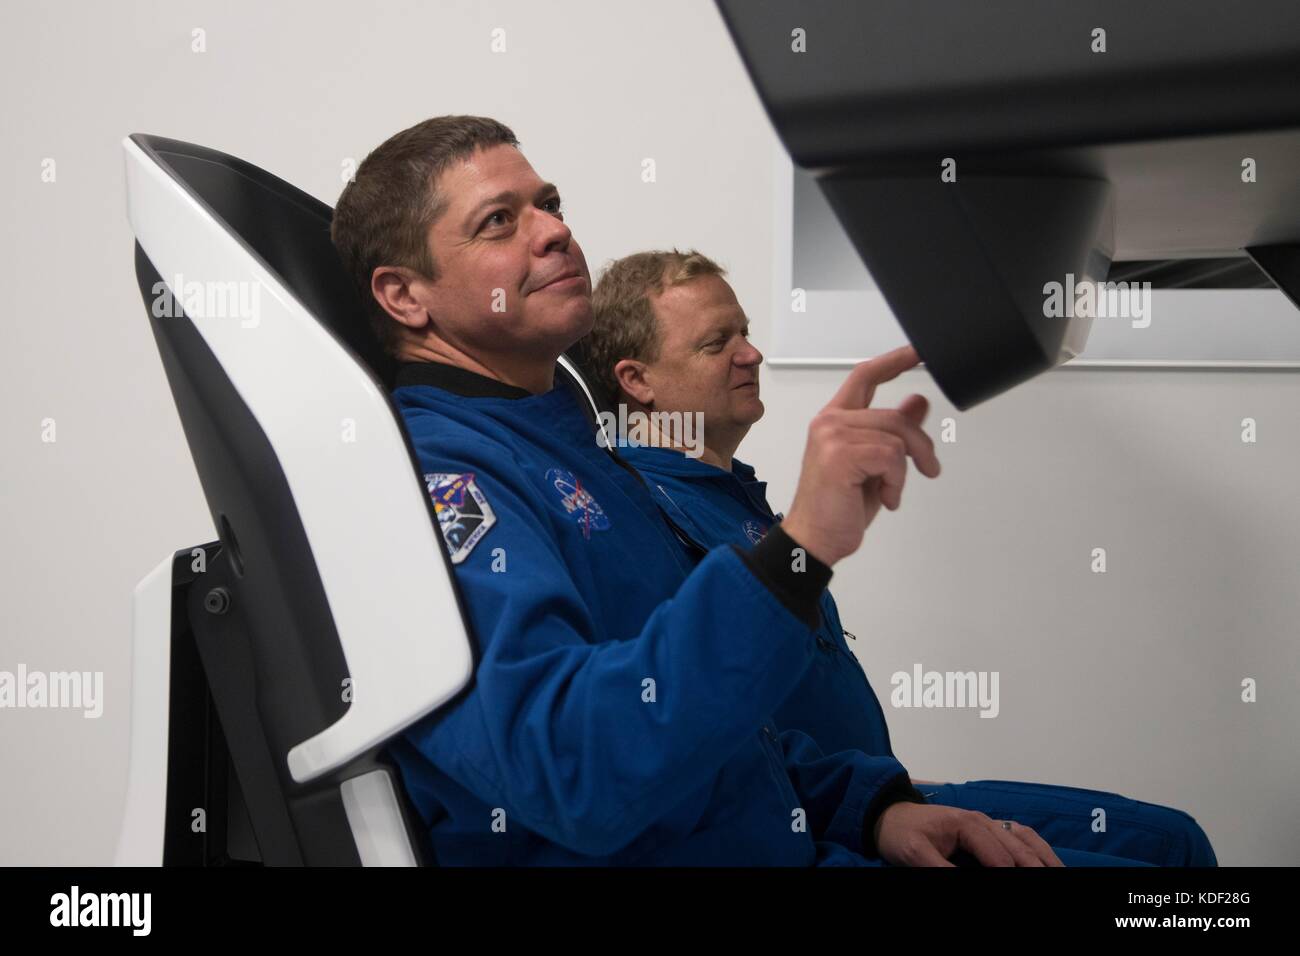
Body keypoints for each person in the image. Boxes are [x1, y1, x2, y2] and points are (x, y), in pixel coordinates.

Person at [331, 113, 1138, 866]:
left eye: (550, 204)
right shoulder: (444, 484)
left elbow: (727, 739)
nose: (555, 231)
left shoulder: (574, 448)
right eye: (499, 221)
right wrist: (801, 547)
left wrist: (867, 808)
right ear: (406, 296)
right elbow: (573, 768)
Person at [580, 248, 1218, 867]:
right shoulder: (642, 521)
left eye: (745, 332)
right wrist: (872, 809)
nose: (752, 354)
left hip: (880, 792)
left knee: (1172, 842)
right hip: (826, 820)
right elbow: (708, 733)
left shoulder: (737, 499)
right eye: (717, 343)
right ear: (637, 381)